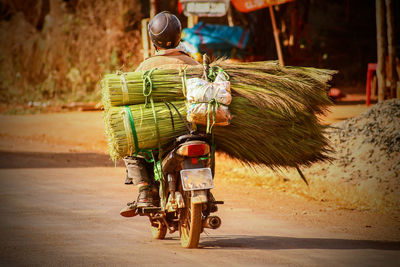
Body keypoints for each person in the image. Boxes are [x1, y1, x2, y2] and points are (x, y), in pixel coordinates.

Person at [120, 11, 200, 217]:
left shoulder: (145, 67)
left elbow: (132, 105)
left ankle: (145, 190)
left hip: (157, 134)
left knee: (129, 146)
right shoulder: (194, 65)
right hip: (191, 131)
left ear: (153, 40)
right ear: (178, 37)